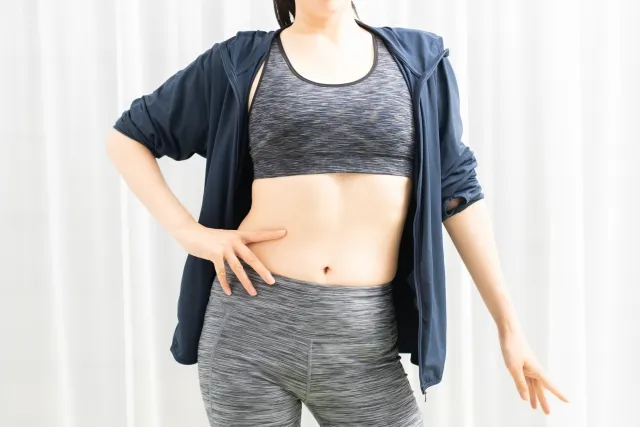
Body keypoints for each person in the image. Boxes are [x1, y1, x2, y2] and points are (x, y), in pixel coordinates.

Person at [106, 0, 569, 425]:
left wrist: (509, 328)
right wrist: (190, 234)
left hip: (363, 343)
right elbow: (128, 137)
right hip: (250, 332)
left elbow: (457, 192)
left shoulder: (418, 61)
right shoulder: (241, 61)